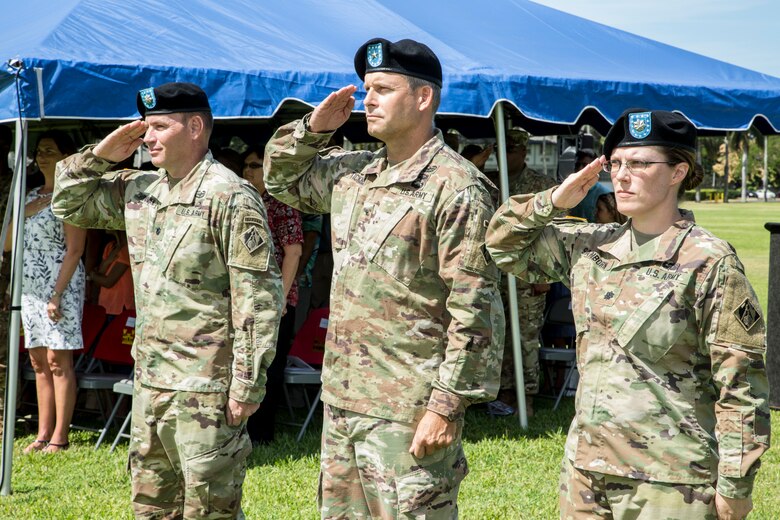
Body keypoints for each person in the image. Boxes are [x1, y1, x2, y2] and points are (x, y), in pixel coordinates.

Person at [486, 109, 770, 520]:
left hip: (670, 481)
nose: (621, 175)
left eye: (639, 164)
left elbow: (742, 384)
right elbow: (501, 245)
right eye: (616, 164)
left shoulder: (708, 262)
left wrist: (735, 484)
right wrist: (553, 200)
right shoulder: (590, 247)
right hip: (585, 472)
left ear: (677, 172)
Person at [264, 37, 504, 518]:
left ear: (422, 98)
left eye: (383, 89)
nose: (367, 99)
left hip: (408, 406)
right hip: (344, 398)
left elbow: (475, 308)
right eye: (366, 88)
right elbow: (280, 178)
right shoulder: (356, 173)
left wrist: (446, 406)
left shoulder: (457, 188)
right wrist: (312, 129)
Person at [52, 82, 284, 518]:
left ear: (195, 127)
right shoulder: (142, 190)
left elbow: (257, 299)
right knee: (150, 506)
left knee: (208, 506)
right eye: (146, 128)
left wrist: (247, 385)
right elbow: (68, 202)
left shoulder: (230, 197)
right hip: (151, 380)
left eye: (159, 126)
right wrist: (100, 156)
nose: (148, 137)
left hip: (206, 388)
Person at [9, 131, 86, 454]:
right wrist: (27, 211)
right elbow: (9, 244)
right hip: (30, 286)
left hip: (60, 283)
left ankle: (60, 436)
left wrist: (57, 294)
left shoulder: (70, 196)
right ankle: (42, 433)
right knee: (38, 360)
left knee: (58, 360)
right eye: (40, 151)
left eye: (50, 151)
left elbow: (75, 250)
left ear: (65, 156)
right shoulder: (30, 196)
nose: (42, 156)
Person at [487, 128, 555, 417]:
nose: (504, 158)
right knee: (497, 335)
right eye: (500, 152)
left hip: (527, 276)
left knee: (526, 337)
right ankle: (501, 393)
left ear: (523, 152)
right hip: (494, 275)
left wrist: (546, 276)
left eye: (511, 151)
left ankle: (526, 395)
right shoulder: (491, 184)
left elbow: (556, 234)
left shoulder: (541, 185)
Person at [241, 144, 303, 445]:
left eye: (254, 165)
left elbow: (294, 251)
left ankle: (263, 435)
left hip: (275, 301)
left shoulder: (281, 203)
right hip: (246, 297)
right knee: (245, 365)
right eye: (246, 166)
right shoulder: (245, 201)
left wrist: (281, 295)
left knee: (270, 368)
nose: (247, 171)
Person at [89, 230, 135, 318]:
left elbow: (108, 282)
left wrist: (92, 275)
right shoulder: (110, 246)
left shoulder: (127, 249)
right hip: (104, 305)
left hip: (120, 308)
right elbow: (98, 280)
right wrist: (107, 262)